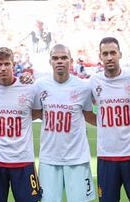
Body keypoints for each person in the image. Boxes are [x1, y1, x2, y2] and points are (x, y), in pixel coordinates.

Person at [89, 37, 130, 202]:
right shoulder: (94, 82)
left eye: (113, 53)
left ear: (120, 54)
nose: (109, 57)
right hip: (106, 155)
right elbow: (80, 108)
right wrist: (101, 122)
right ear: (100, 56)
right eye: (105, 53)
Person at [34, 44, 96, 202]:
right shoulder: (40, 86)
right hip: (49, 158)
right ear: (50, 62)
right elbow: (34, 114)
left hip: (77, 158)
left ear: (71, 61)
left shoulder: (83, 87)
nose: (59, 61)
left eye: (63, 58)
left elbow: (89, 116)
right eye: (55, 58)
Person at [0, 47, 41, 202]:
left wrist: (20, 118)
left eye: (7, 63)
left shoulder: (29, 89)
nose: (3, 68)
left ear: (13, 65)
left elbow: (38, 112)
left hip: (22, 160)